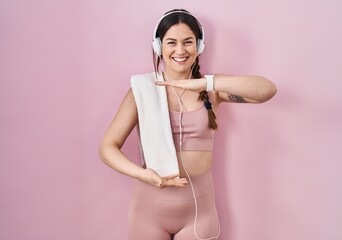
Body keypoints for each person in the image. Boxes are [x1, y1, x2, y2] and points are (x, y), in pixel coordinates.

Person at [98, 9, 277, 240]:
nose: (180, 50)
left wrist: (205, 83)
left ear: (199, 47)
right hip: (148, 211)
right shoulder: (141, 91)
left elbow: (266, 90)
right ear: (158, 47)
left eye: (188, 42)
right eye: (171, 42)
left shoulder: (211, 90)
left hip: (198, 215)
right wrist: (144, 175)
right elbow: (107, 147)